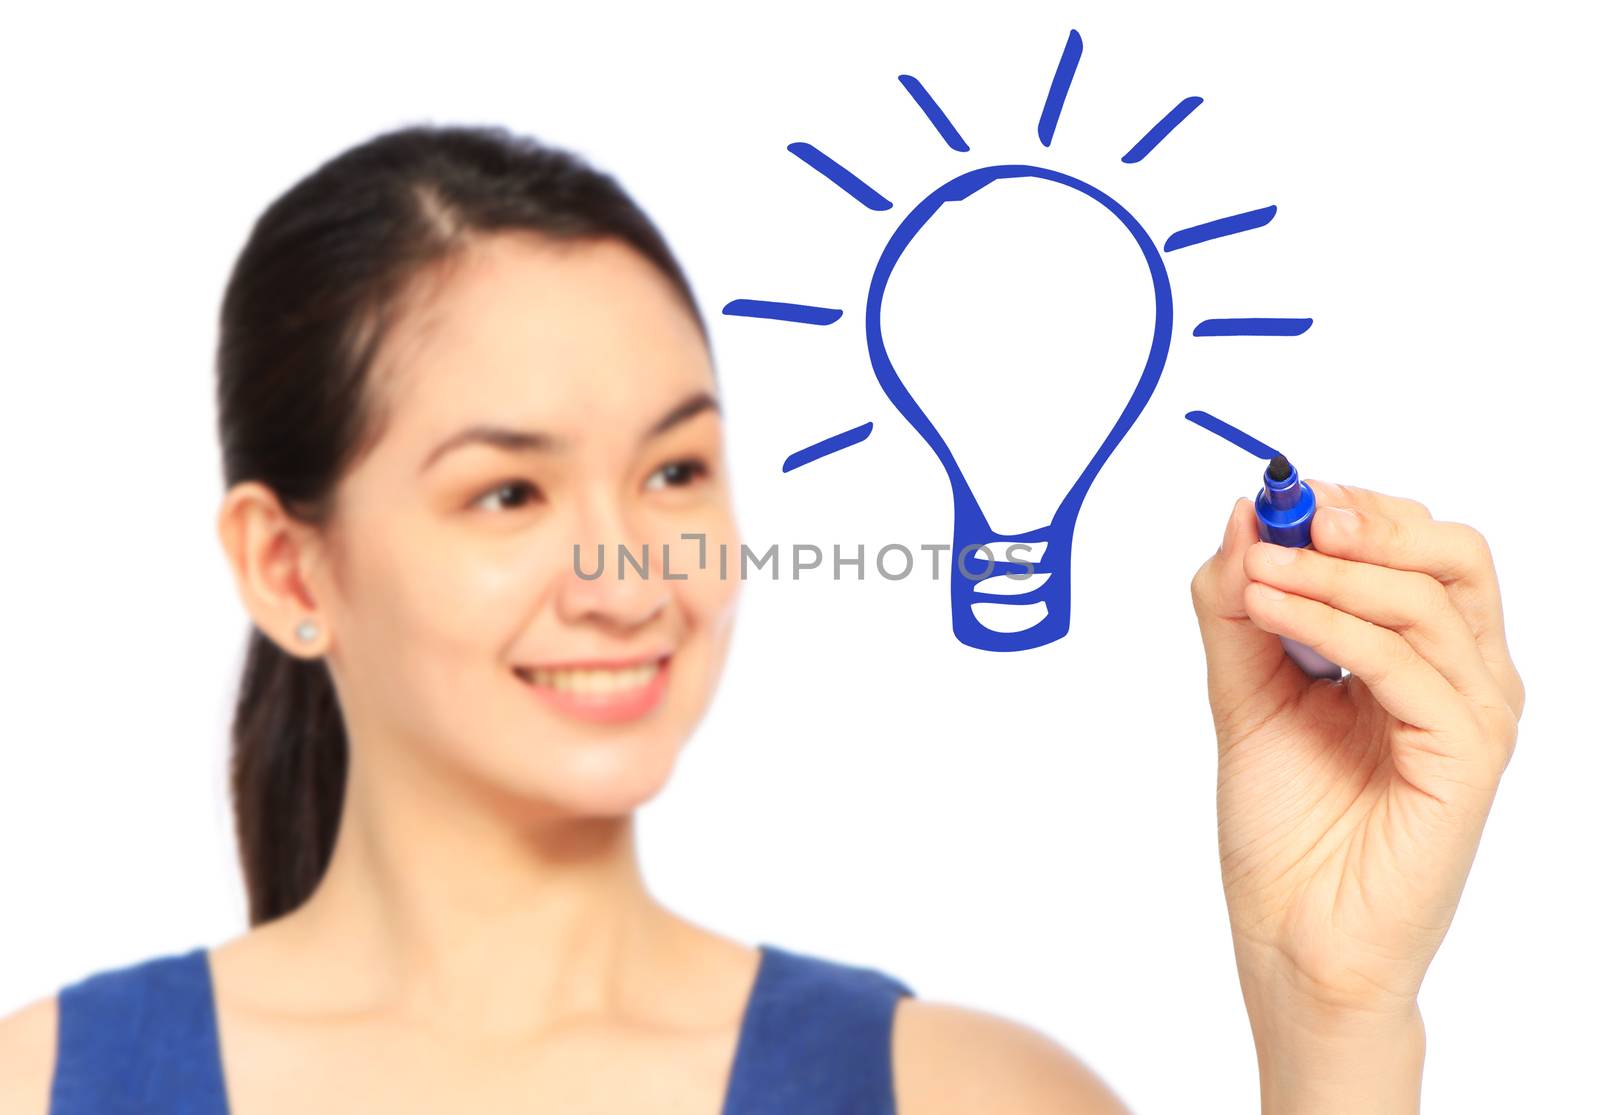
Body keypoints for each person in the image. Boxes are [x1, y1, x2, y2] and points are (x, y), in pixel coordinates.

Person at [0, 123, 1523, 1114]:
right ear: (287, 570)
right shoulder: (47, 1084)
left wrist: (1332, 1013)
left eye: (674, 469)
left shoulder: (974, 1098)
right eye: (508, 495)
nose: (629, 572)